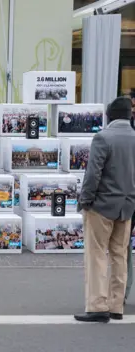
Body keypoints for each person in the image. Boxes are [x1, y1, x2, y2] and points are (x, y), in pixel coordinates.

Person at [74, 96, 135, 323]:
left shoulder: (103, 137)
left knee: (97, 255)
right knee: (120, 255)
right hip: (127, 206)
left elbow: (93, 174)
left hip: (101, 206)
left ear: (109, 115)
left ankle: (98, 306)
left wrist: (85, 201)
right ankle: (116, 305)